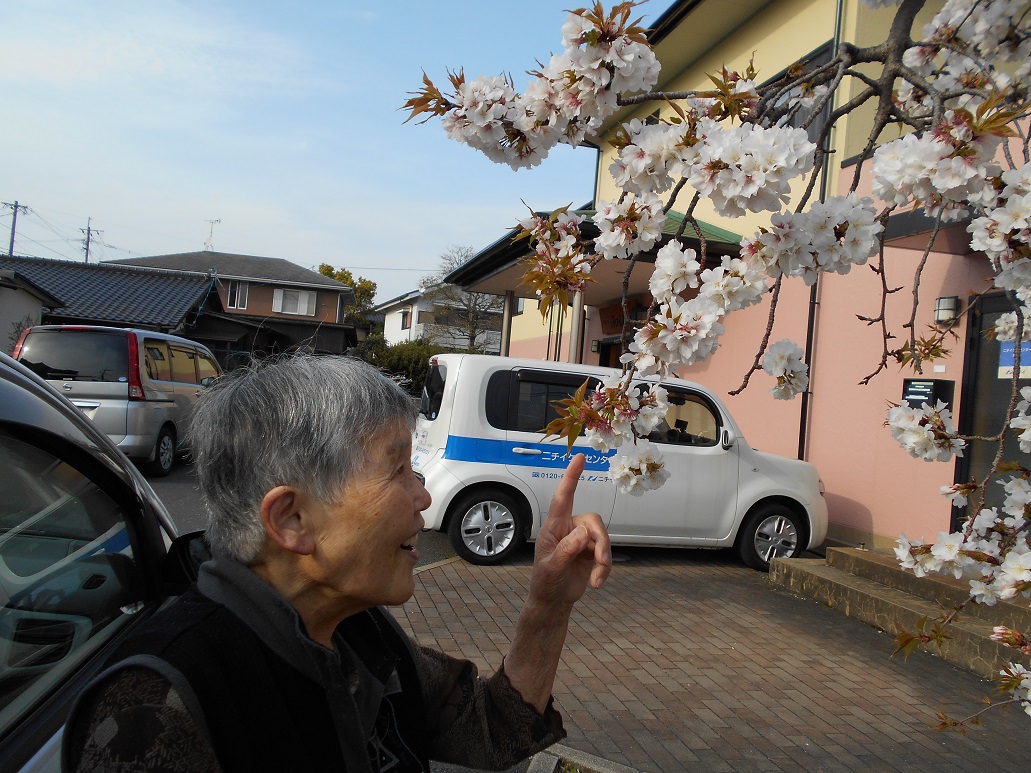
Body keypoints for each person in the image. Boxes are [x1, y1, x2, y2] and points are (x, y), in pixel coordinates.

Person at [63, 355, 611, 773]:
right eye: (398, 470)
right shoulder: (161, 704)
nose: (423, 497)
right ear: (293, 518)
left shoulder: (359, 634)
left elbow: (494, 731)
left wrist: (548, 602)